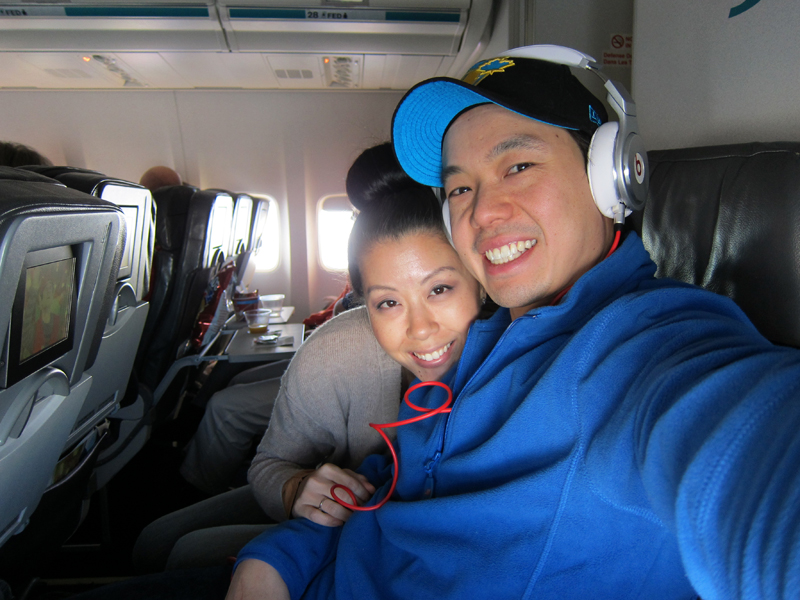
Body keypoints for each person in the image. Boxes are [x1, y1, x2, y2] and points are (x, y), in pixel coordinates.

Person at [228, 47, 800, 600]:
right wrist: (274, 561)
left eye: (518, 166)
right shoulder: (484, 337)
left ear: (610, 176)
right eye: (460, 187)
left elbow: (750, 453)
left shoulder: (648, 345)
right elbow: (390, 485)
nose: (480, 212)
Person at [131, 142, 484, 573]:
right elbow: (270, 464)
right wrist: (297, 488)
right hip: (337, 514)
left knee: (184, 554)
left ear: (479, 278)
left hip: (377, 543)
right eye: (388, 303)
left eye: (440, 289)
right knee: (152, 542)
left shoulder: (515, 361)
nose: (421, 328)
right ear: (363, 302)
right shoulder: (335, 352)